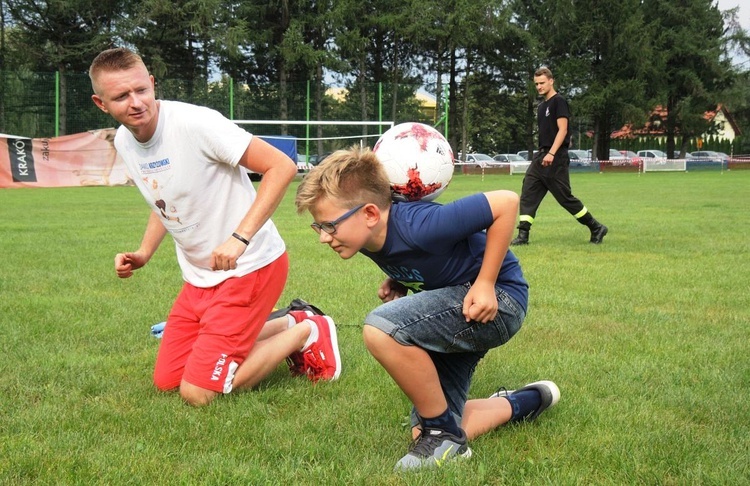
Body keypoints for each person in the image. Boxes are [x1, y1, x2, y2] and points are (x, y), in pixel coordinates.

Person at [89, 47, 341, 407]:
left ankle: (306, 331)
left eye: (141, 90)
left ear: (152, 83)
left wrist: (240, 238)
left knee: (199, 392)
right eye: (121, 96)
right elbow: (164, 201)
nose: (136, 103)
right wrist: (144, 252)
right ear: (101, 103)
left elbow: (281, 166)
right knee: (168, 381)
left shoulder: (195, 124)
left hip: (250, 267)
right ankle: (287, 322)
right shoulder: (127, 141)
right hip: (200, 279)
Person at [295, 146, 559, 471]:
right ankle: (526, 401)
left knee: (382, 328)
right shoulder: (362, 236)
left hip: (499, 303)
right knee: (424, 430)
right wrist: (400, 278)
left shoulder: (423, 224)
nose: (323, 237)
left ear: (369, 214)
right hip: (459, 311)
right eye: (318, 227)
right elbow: (420, 255)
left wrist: (486, 282)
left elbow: (505, 202)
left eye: (329, 226)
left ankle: (443, 433)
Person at [511, 67, 608, 245]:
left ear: (551, 81)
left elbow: (563, 130)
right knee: (528, 192)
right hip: (541, 156)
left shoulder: (559, 102)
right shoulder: (541, 107)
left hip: (555, 157)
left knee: (564, 197)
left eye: (542, 83)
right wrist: (544, 154)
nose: (539, 87)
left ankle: (596, 227)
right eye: (536, 84)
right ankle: (523, 235)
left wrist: (552, 153)